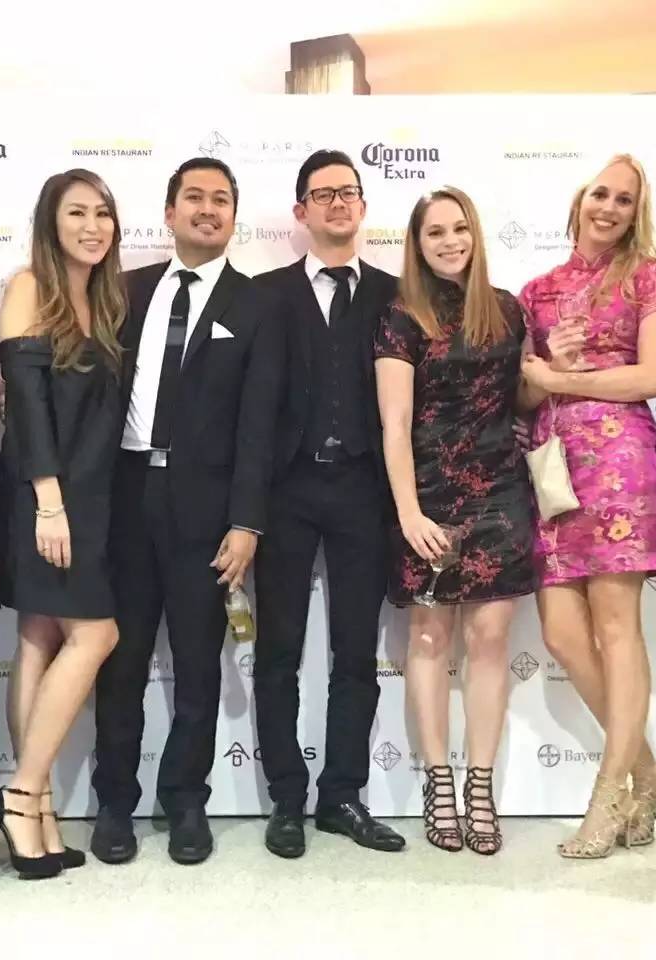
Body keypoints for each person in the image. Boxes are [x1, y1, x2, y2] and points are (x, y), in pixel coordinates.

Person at [90, 157, 281, 866]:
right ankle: (114, 801)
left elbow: (260, 421)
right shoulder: (124, 290)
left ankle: (185, 801)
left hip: (207, 509)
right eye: (193, 197)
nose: (207, 209)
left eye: (220, 200)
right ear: (169, 213)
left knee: (199, 665)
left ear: (234, 216)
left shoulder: (256, 303)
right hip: (124, 494)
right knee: (121, 661)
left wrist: (247, 521)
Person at [517, 155, 656, 858]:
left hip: (621, 465)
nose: (609, 207)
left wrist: (563, 379)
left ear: (637, 213)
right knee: (560, 633)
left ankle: (609, 795)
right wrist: (548, 370)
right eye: (601, 194)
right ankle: (648, 773)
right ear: (580, 201)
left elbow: (653, 376)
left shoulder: (646, 276)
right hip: (553, 470)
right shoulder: (537, 291)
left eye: (624, 200)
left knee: (617, 627)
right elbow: (524, 394)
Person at [252, 150, 404, 859]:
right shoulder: (265, 294)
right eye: (323, 194)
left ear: (363, 207)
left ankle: (342, 794)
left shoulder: (397, 295)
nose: (338, 203)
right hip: (285, 491)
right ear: (301, 212)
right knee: (277, 651)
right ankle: (286, 798)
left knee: (355, 653)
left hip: (363, 491)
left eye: (349, 192)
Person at [375, 187, 535, 855]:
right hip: (429, 496)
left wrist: (551, 373)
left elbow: (521, 398)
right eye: (435, 232)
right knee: (430, 637)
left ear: (475, 234)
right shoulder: (401, 317)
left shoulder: (508, 309)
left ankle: (480, 786)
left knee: (491, 638)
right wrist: (408, 511)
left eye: (459, 228)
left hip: (501, 490)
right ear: (417, 244)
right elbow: (393, 424)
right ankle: (438, 781)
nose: (449, 241)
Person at [0, 169, 125, 879]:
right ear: (50, 222)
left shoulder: (107, 300)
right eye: (76, 213)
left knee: (41, 635)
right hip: (44, 496)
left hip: (92, 497)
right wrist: (49, 501)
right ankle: (21, 797)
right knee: (96, 634)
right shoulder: (28, 288)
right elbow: (29, 402)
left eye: (102, 213)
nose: (92, 227)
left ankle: (35, 809)